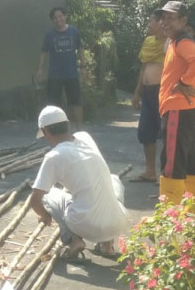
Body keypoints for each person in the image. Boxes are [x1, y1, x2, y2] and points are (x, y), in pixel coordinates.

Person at [29, 105, 129, 259]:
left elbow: (35, 200)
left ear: (45, 132)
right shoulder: (85, 138)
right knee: (113, 179)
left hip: (85, 224)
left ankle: (74, 240)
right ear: (68, 125)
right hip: (117, 222)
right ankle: (107, 244)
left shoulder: (54, 156)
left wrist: (45, 216)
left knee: (49, 195)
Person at [155, 0, 195, 206]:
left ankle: (170, 219)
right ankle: (193, 216)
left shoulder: (181, 42)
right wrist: (191, 83)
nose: (165, 22)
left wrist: (185, 82)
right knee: (188, 163)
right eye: (163, 18)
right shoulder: (174, 42)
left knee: (171, 164)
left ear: (183, 20)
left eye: (170, 18)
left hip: (179, 109)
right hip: (186, 109)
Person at [129, 11, 165, 183]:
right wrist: (137, 93)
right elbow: (143, 68)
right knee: (146, 133)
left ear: (160, 23)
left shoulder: (169, 42)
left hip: (163, 92)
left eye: (151, 21)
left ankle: (166, 174)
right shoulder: (148, 41)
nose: (149, 24)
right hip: (148, 93)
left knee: (165, 133)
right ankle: (150, 171)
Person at [35, 7, 84, 129]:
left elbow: (80, 49)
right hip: (55, 74)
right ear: (52, 21)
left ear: (65, 16)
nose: (58, 19)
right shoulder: (49, 35)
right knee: (54, 104)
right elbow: (44, 52)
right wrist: (40, 69)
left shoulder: (74, 31)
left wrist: (83, 66)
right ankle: (57, 129)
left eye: (60, 16)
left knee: (76, 101)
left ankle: (79, 129)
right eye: (55, 18)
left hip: (71, 73)